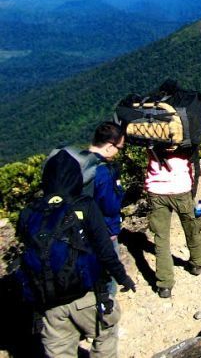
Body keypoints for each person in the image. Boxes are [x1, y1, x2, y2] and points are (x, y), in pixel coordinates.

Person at [16, 149, 136, 358]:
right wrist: (122, 277)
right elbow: (105, 250)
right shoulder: (84, 205)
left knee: (60, 351)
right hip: (87, 294)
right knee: (105, 334)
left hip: (49, 302)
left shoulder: (29, 212)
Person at [145, 145, 201, 298]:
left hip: (155, 189)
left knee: (161, 239)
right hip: (181, 187)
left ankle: (164, 285)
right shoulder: (182, 127)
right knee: (191, 227)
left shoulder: (148, 126)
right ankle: (197, 262)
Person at [86, 122, 126, 294]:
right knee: (108, 271)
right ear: (110, 146)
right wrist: (113, 231)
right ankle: (107, 307)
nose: (118, 152)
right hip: (102, 229)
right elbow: (109, 206)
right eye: (119, 147)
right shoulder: (103, 171)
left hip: (77, 229)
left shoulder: (78, 161)